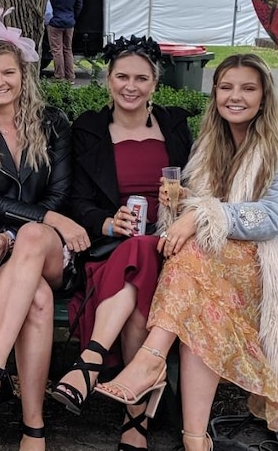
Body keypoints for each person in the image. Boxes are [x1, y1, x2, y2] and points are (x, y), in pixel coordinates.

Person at [95, 54, 278, 451]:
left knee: (192, 262)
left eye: (248, 88)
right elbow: (203, 206)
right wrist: (181, 203)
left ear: (264, 96)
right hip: (215, 268)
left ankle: (150, 360)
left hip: (273, 267)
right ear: (214, 94)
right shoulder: (210, 142)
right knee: (199, 295)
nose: (236, 96)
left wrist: (200, 215)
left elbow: (273, 216)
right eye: (226, 87)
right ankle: (195, 439)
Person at [0, 8, 90, 451]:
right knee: (38, 302)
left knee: (33, 242)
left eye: (7, 72)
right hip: (3, 251)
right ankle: (34, 427)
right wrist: (26, 229)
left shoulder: (53, 124)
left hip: (53, 253)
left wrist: (38, 225)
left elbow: (61, 196)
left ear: (23, 74)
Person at [52, 35, 192, 451]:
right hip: (113, 250)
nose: (130, 86)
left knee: (144, 253)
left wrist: (182, 202)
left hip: (171, 249)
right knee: (135, 282)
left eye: (141, 78)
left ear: (155, 84)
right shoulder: (89, 129)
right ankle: (137, 422)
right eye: (121, 77)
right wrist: (108, 223)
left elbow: (203, 186)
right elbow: (77, 200)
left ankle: (90, 362)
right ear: (108, 80)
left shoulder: (175, 124)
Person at [47, 0, 83, 81]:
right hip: (69, 22)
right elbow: (79, 4)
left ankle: (59, 76)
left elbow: (48, 5)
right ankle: (71, 76)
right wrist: (73, 16)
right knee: (68, 49)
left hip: (55, 21)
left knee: (57, 50)